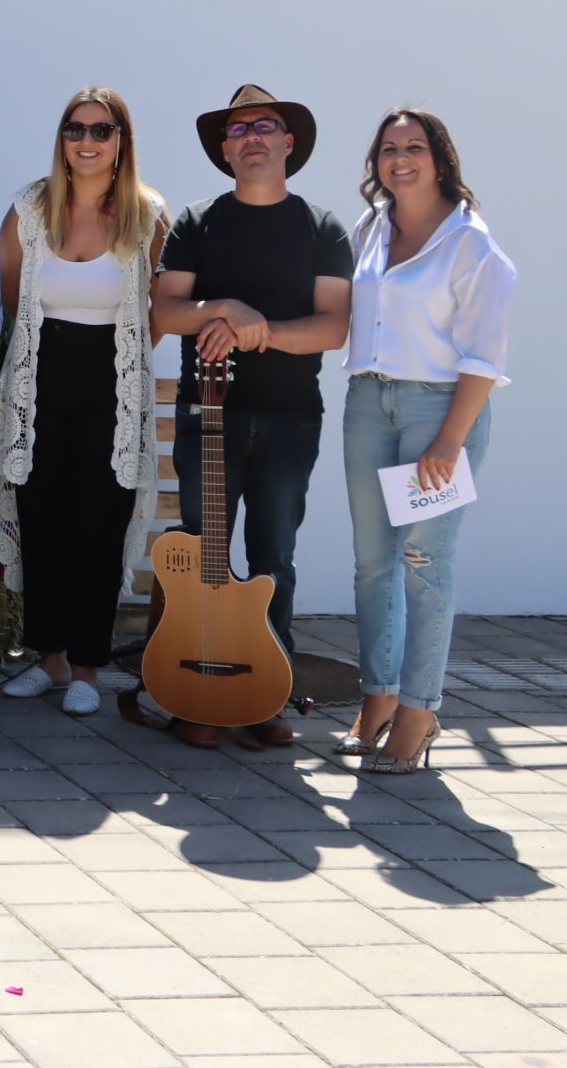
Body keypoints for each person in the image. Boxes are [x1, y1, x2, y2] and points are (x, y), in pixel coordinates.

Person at [150, 84, 352, 749]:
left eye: (266, 126)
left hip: (291, 418)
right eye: (239, 130)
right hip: (210, 414)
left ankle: (269, 690)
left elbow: (333, 327)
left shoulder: (322, 227)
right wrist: (223, 307)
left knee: (274, 559)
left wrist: (255, 328)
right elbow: (166, 311)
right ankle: (194, 689)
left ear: (288, 142)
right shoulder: (198, 220)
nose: (253, 137)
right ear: (224, 148)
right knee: (201, 552)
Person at [340, 109, 513, 775]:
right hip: (368, 403)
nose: (400, 158)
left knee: (422, 565)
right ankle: (377, 698)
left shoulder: (471, 243)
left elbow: (484, 356)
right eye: (389, 148)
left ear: (440, 159)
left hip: (439, 409)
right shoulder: (370, 229)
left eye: (414, 147)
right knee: (372, 563)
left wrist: (450, 439)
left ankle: (420, 709)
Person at [0, 89, 167, 718]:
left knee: (100, 522)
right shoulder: (30, 211)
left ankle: (88, 665)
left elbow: (157, 311)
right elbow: (12, 295)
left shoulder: (147, 216)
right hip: (41, 382)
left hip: (114, 388)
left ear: (121, 141)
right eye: (74, 129)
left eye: (101, 129)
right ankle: (49, 659)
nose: (86, 141)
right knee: (43, 519)